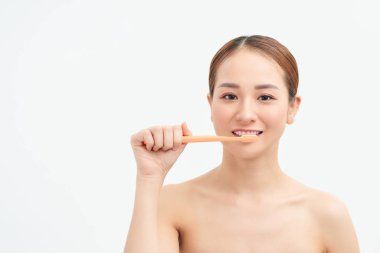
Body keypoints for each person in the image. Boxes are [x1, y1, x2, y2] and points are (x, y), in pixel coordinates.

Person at [124, 35, 360, 253]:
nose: (246, 114)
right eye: (230, 96)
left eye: (265, 97)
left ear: (292, 107)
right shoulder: (172, 204)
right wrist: (149, 177)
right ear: (211, 104)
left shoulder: (328, 215)